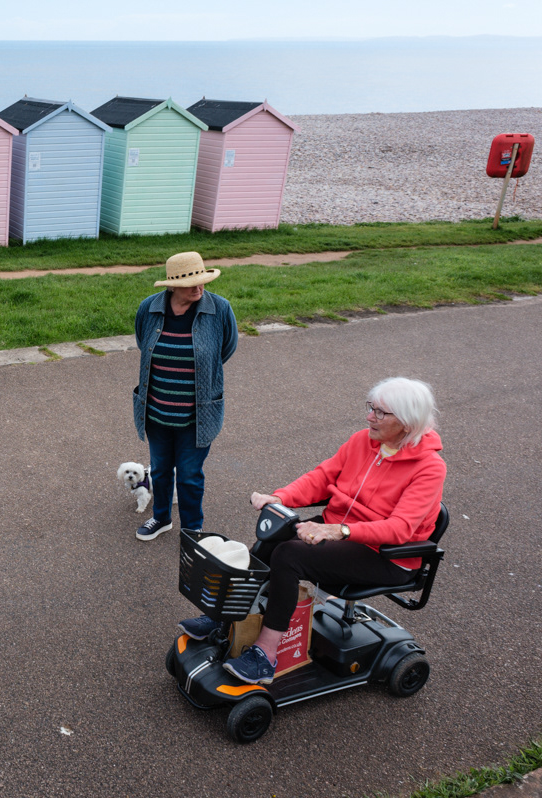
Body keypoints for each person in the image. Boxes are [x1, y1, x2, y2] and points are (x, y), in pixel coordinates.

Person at [181, 377, 446, 685]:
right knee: (274, 537)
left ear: (406, 422)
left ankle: (266, 655)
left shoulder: (430, 467)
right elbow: (322, 477)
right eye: (370, 408)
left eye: (380, 413)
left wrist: (339, 531)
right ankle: (222, 618)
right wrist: (279, 497)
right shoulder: (363, 440)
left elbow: (400, 529)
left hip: (386, 556)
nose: (369, 417)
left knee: (289, 555)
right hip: (341, 531)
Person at [132, 251, 238, 540]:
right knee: (162, 471)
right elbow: (145, 345)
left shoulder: (220, 309)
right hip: (156, 412)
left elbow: (225, 350)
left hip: (197, 414)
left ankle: (193, 528)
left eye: (202, 280)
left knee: (190, 476)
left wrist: (202, 370)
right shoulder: (149, 309)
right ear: (171, 285)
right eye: (191, 282)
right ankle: (161, 518)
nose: (199, 287)